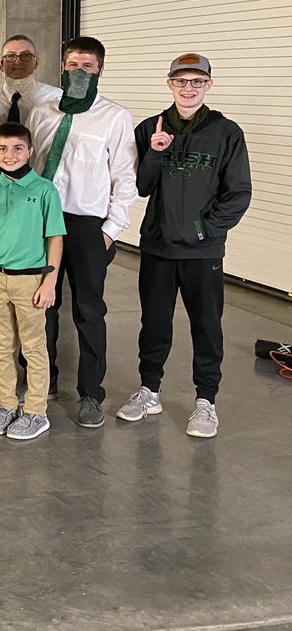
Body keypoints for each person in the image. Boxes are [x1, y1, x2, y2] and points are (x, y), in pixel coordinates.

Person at [115, 54, 251, 438]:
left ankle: (206, 401)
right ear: (169, 84)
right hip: (157, 247)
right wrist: (156, 153)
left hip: (203, 252)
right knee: (154, 324)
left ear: (208, 85)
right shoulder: (148, 129)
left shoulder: (226, 132)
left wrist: (204, 230)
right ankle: (149, 391)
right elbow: (139, 186)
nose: (188, 88)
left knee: (206, 327)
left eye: (196, 82)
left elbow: (238, 193)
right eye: (181, 81)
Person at [27, 36, 138, 429]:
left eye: (87, 66)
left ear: (101, 71)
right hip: (41, 222)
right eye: (73, 64)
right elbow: (29, 166)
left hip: (87, 225)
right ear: (62, 66)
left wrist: (110, 231)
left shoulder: (115, 117)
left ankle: (91, 394)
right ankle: (44, 382)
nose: (79, 72)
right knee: (42, 307)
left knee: (89, 312)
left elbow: (126, 177)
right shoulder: (41, 112)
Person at [0, 123, 65, 440]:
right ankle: (7, 404)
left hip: (30, 281)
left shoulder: (44, 190)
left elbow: (55, 238)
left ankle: (36, 411)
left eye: (17, 148)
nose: (9, 155)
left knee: (34, 347)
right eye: (2, 149)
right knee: (3, 345)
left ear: (30, 151)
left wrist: (49, 282)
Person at [0, 35, 61, 126]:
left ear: (36, 63)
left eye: (26, 55)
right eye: (10, 56)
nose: (18, 61)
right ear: (1, 65)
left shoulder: (55, 98)